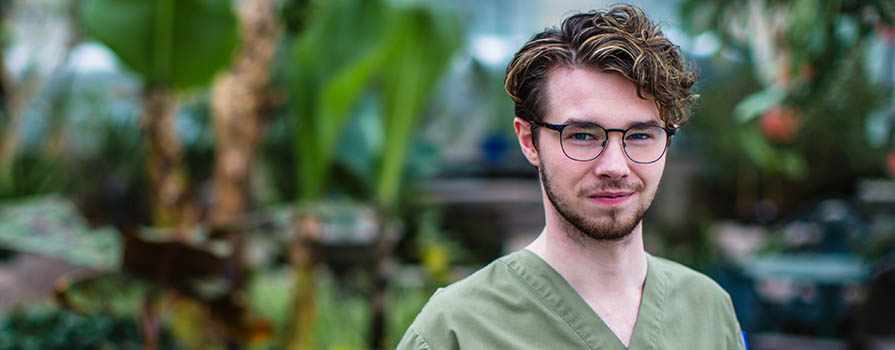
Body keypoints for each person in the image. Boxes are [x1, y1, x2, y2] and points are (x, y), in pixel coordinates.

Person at [398, 4, 746, 350]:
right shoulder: (457, 329)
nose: (615, 165)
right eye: (582, 135)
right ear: (528, 141)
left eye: (640, 135)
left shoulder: (709, 311)